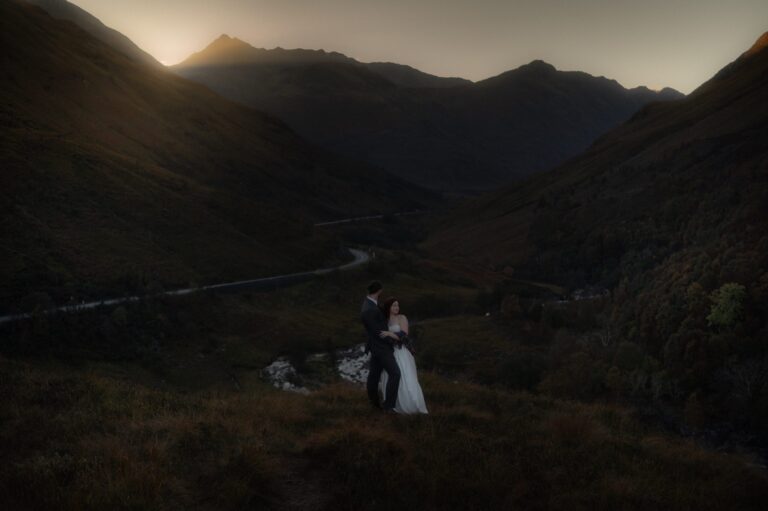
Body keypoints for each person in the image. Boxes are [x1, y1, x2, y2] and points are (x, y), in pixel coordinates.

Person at [379, 297, 428, 414]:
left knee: (405, 376)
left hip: (401, 352)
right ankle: (392, 404)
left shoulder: (402, 318)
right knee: (390, 377)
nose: (397, 307)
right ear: (388, 307)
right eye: (394, 305)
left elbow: (404, 335)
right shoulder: (384, 319)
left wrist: (390, 334)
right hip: (389, 352)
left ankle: (411, 404)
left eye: (397, 305)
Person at [360, 281, 401, 411]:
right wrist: (392, 341)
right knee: (395, 374)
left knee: (374, 375)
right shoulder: (369, 308)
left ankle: (375, 405)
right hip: (381, 348)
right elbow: (378, 331)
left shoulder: (370, 304)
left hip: (376, 347)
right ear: (379, 291)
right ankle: (388, 406)